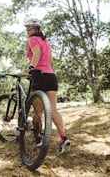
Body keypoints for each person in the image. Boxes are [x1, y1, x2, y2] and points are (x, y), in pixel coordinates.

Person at [24, 18, 71, 154]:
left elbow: (37, 54)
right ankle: (63, 138)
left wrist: (31, 67)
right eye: (26, 28)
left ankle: (38, 137)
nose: (27, 31)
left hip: (39, 76)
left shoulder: (33, 39)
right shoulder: (46, 41)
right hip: (51, 76)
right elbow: (50, 60)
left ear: (36, 29)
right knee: (53, 109)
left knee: (38, 110)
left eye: (29, 28)